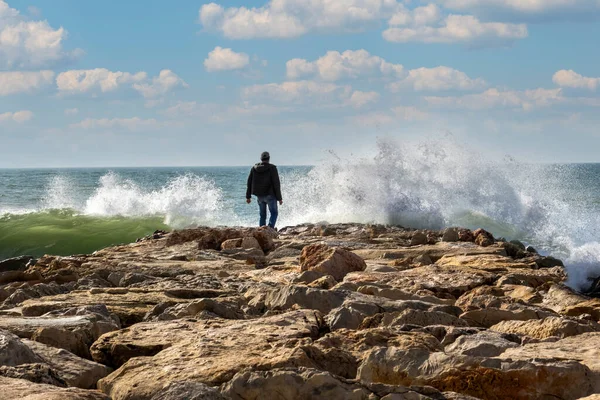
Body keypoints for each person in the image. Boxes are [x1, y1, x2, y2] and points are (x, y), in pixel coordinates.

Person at [246, 151, 283, 228]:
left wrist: (248, 196)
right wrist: (279, 198)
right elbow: (276, 184)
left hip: (259, 196)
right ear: (269, 158)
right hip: (270, 196)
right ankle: (270, 229)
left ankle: (262, 231)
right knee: (274, 213)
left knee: (262, 215)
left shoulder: (254, 168)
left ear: (261, 159)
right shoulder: (272, 168)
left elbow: (249, 182)